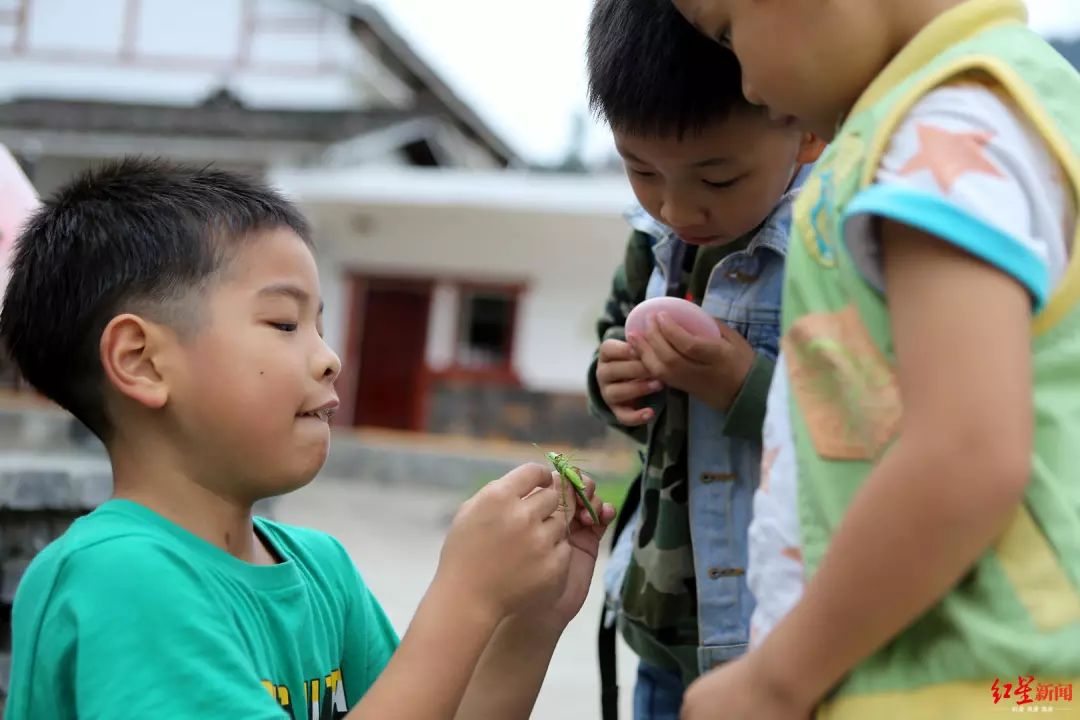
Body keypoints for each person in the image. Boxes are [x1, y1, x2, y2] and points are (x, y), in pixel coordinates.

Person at [0, 159, 615, 720]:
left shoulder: (321, 571)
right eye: (284, 323)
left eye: (319, 326)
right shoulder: (117, 580)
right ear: (142, 362)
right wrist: (467, 597)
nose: (329, 359)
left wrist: (529, 619)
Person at [668, 0, 1080, 717]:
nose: (748, 86)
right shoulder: (1018, 99)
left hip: (955, 683)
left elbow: (965, 452)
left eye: (730, 34)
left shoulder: (943, 131)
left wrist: (777, 679)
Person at [584, 0, 822, 716]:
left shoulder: (828, 246)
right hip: (664, 631)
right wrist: (613, 382)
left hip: (776, 640)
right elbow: (616, 354)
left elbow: (864, 428)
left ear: (805, 129)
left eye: (716, 180)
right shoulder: (655, 241)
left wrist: (740, 383)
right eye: (641, 171)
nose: (677, 206)